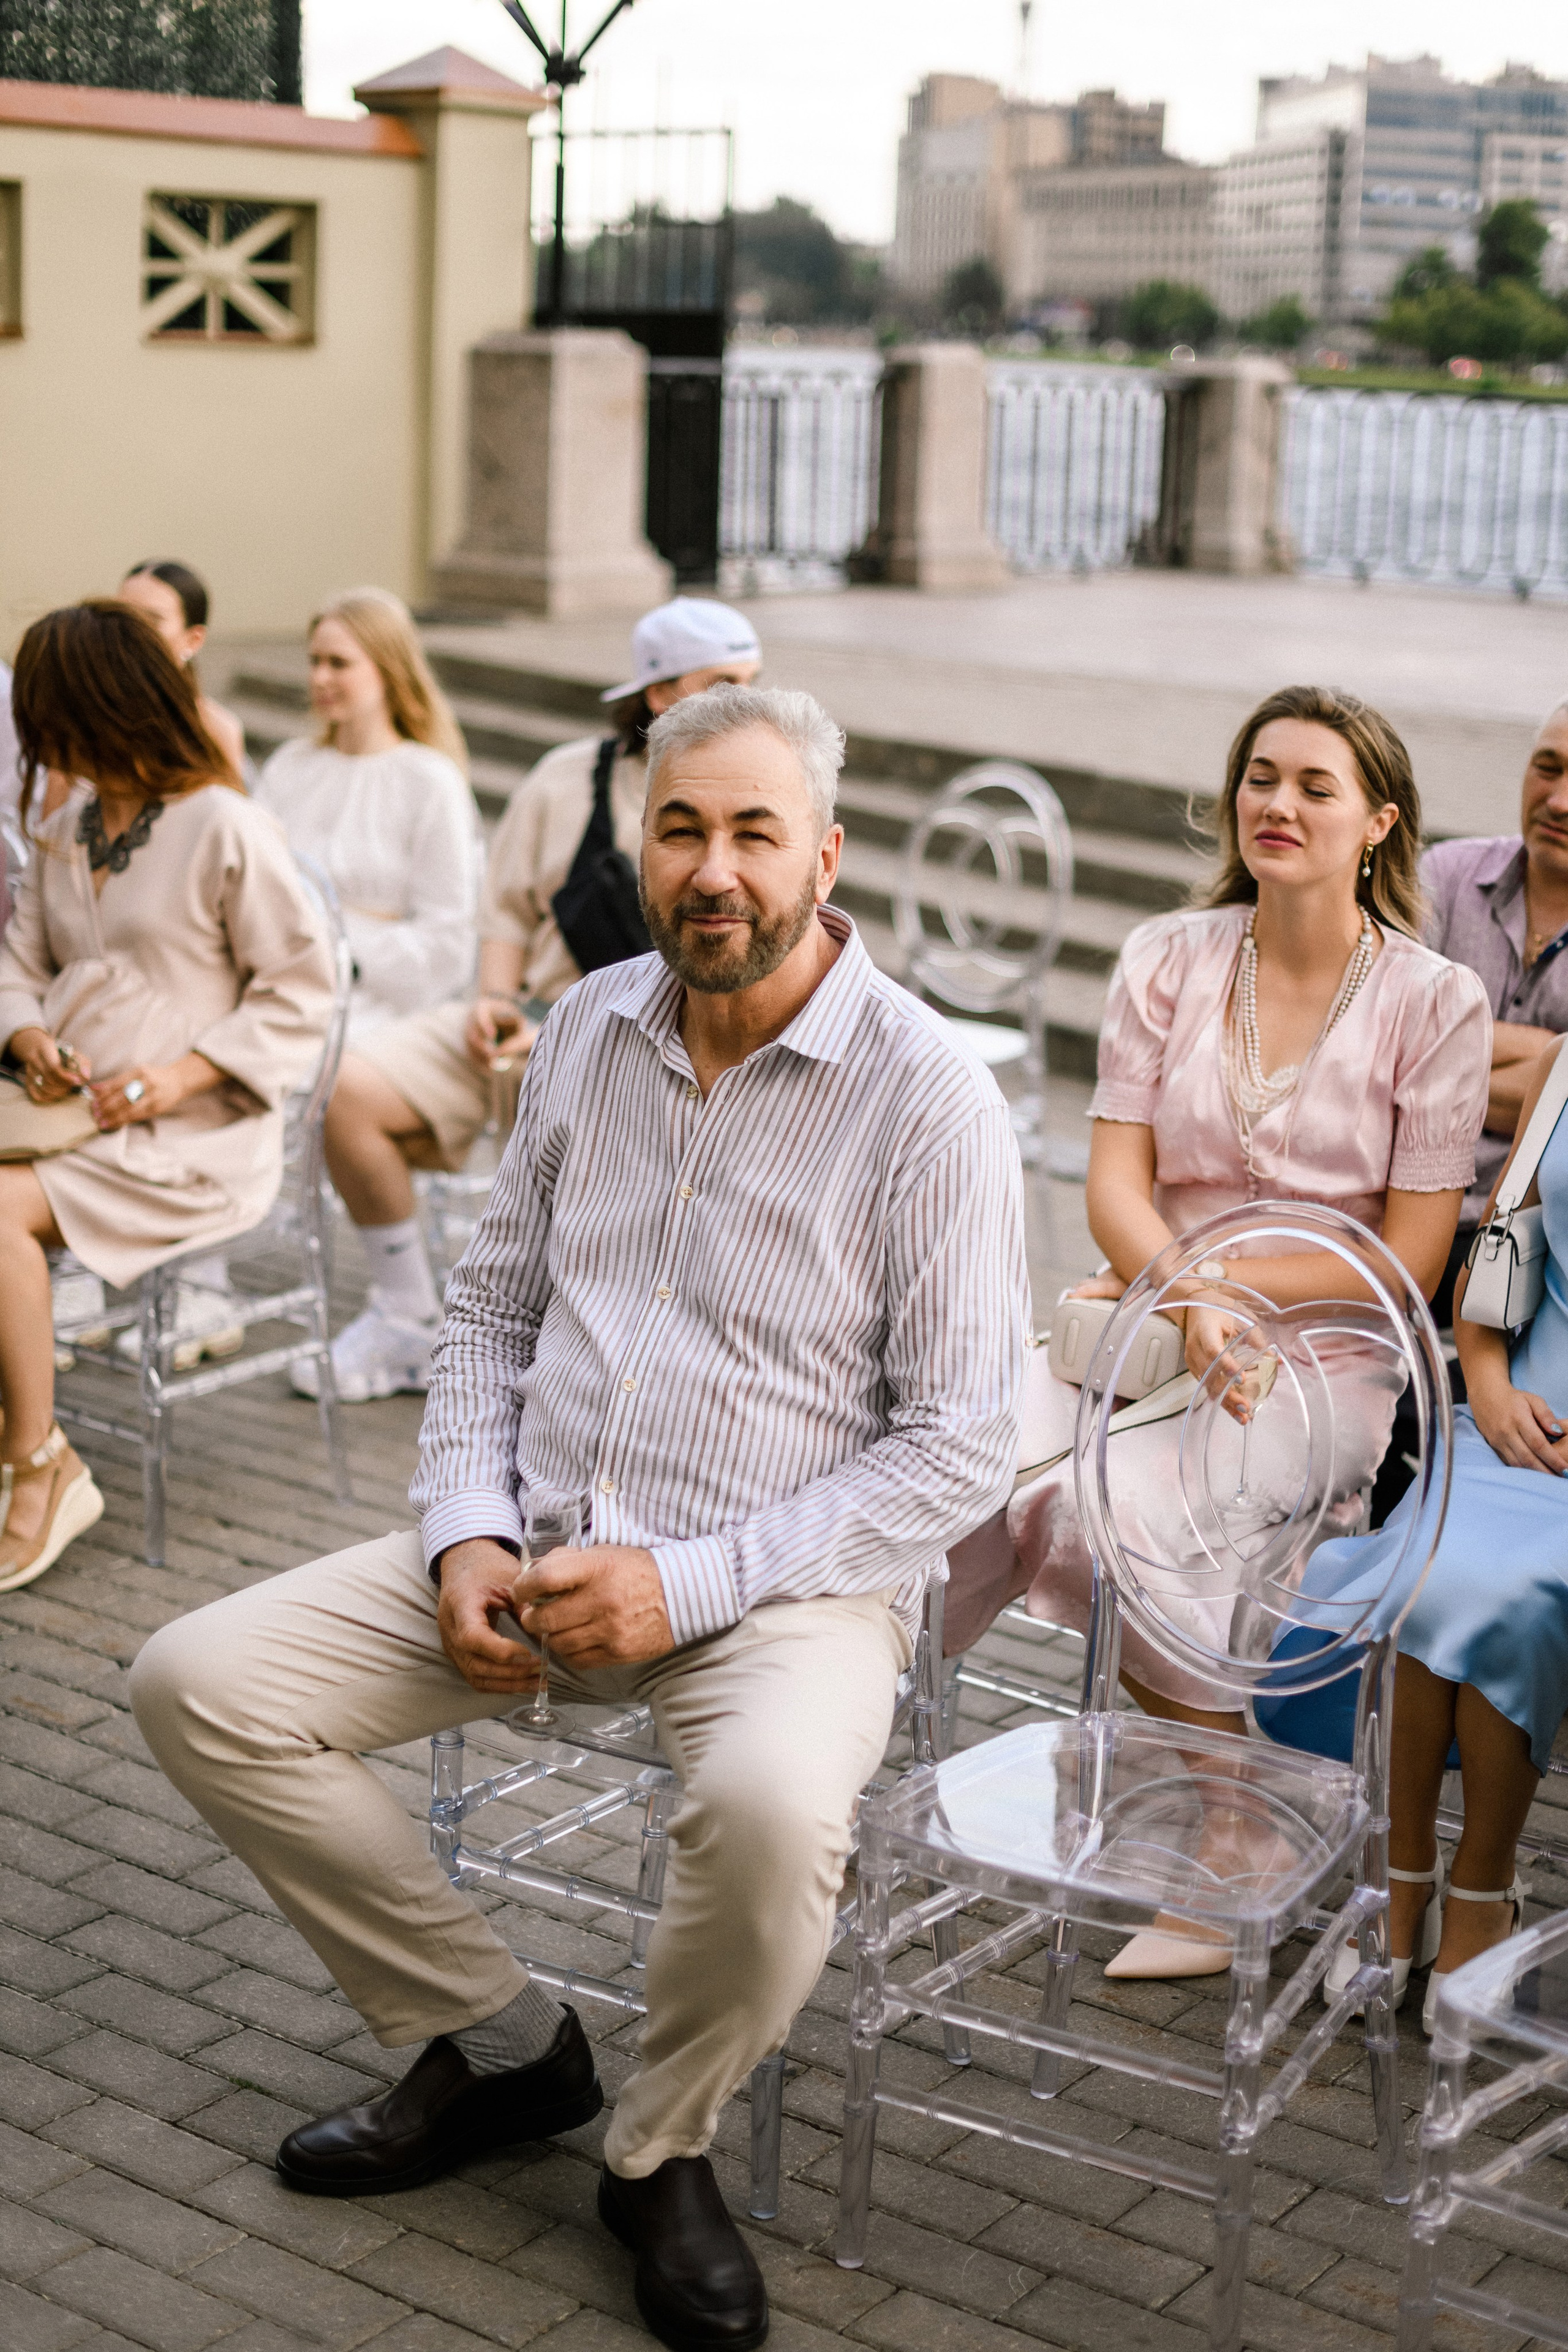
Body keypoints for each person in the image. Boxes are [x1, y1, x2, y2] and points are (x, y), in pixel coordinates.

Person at [129, 682, 1026, 2352]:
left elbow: (960, 1446)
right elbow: (489, 1316)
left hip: (785, 1587)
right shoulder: (594, 1033)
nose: (714, 869)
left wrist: (687, 1584)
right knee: (199, 1682)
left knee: (767, 1815)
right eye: (681, 828)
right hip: (535, 1540)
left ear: (823, 856)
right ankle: (497, 2043)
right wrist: (468, 1531)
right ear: (636, 841)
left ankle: (657, 2150)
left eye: (756, 832)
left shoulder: (930, 1102)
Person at [982, 685, 1491, 1981]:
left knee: (1116, 1517)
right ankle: (1202, 1791)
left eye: (1314, 786)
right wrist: (1189, 1297)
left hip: (1326, 1352)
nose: (1275, 803)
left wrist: (1220, 1295)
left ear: (1378, 823)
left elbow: (1412, 1257)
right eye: (1259, 777)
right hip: (1152, 1316)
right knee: (969, 1469)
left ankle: (1232, 1829)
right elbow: (1110, 1188)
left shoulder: (1433, 1003)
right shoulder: (1166, 954)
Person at [296, 595, 761, 1406]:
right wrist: (492, 999)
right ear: (659, 694)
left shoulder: (758, 791)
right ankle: (407, 1313)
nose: (749, 701)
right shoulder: (567, 777)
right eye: (724, 681)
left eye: (753, 682)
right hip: (535, 1020)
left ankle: (582, 1352)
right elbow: (506, 909)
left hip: (670, 1047)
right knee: (345, 1090)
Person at [0, 602, 334, 1591]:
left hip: (194, 1139)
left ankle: (39, 1465)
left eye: (49, 712)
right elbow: (18, 961)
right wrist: (28, 1036)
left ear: (107, 705)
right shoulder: (62, 829)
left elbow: (303, 989)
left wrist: (177, 1078)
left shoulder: (223, 823)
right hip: (66, 1120)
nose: (35, 737)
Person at [1263, 1032, 1568, 2029]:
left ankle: (1483, 1887)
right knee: (1421, 1570)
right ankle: (1402, 1876)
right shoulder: (1565, 1065)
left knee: (1506, 1595)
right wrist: (1485, 1384)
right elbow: (1494, 1271)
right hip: (1515, 1416)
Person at [253, 587, 480, 1044]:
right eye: (314, 661)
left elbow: (448, 941)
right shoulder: (290, 766)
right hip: (274, 984)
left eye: (339, 663)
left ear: (388, 669)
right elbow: (253, 883)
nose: (319, 677)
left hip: (380, 1009)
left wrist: (338, 940)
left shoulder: (430, 781)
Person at [1422, 701, 1568, 1321]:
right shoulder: (1446, 875)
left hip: (1537, 1245)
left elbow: (1404, 1067)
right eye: (1547, 766)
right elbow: (1373, 1039)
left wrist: (1430, 1075)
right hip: (1398, 1203)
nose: (1558, 801)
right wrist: (1548, 1059)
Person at [118, 560, 249, 782]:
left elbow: (230, 812)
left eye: (152, 620)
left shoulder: (216, 730)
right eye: (120, 616)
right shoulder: (81, 711)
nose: (131, 631)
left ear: (193, 639)